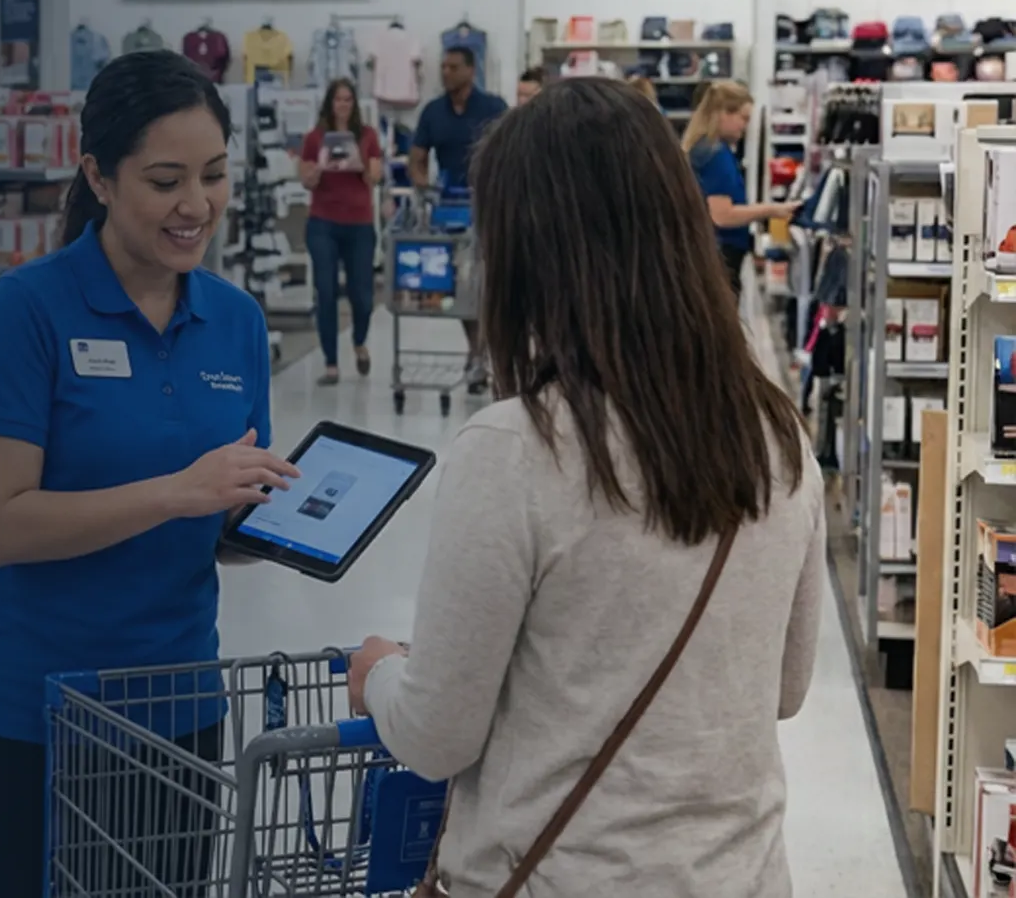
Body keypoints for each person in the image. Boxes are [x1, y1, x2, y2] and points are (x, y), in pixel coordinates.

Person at [347, 78, 824, 898]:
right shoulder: (779, 438)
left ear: (531, 251)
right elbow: (784, 689)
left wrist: (379, 673)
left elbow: (437, 734)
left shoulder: (515, 448)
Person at [0, 49, 298, 898]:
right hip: (28, 715)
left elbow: (216, 517)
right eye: (166, 180)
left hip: (178, 715)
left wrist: (280, 524)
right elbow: (0, 524)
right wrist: (178, 492)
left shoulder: (235, 322)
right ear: (97, 176)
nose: (196, 205)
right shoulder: (25, 312)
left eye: (213, 175)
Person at [409, 46, 508, 392]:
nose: (446, 72)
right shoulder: (433, 112)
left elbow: (510, 152)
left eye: (453, 67)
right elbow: (417, 157)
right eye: (443, 67)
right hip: (449, 209)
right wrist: (424, 185)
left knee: (487, 287)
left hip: (490, 209)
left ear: (471, 69)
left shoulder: (493, 108)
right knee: (461, 288)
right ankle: (477, 354)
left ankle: (484, 355)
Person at [298, 77, 384, 382]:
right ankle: (331, 362)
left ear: (354, 104)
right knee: (326, 290)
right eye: (338, 99)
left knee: (362, 295)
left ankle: (359, 341)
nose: (343, 105)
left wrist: (356, 160)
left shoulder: (368, 135)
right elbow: (305, 180)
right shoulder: (314, 138)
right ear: (329, 103)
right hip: (323, 223)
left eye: (348, 99)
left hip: (359, 225)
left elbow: (375, 176)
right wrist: (322, 165)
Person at [681, 80, 796, 295]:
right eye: (743, 118)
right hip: (720, 254)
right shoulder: (714, 154)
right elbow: (722, 215)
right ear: (723, 113)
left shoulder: (706, 149)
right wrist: (771, 210)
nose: (745, 126)